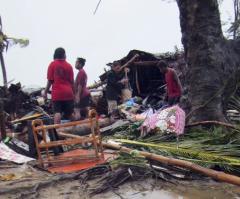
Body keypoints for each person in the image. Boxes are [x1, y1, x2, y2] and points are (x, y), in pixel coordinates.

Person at [43, 47, 74, 124]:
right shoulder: (69, 66)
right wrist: (75, 94)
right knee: (70, 113)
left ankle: (57, 131)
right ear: (64, 55)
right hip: (68, 93)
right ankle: (76, 128)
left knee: (57, 112)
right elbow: (72, 82)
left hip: (57, 93)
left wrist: (45, 92)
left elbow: (50, 80)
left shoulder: (52, 64)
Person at [106, 54, 139, 119]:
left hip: (114, 94)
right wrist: (122, 81)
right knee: (113, 110)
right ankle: (112, 120)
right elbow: (114, 83)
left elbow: (120, 77)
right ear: (113, 67)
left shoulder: (115, 73)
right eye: (117, 68)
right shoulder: (110, 74)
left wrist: (126, 72)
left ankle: (115, 118)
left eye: (119, 68)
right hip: (111, 94)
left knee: (115, 109)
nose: (118, 70)